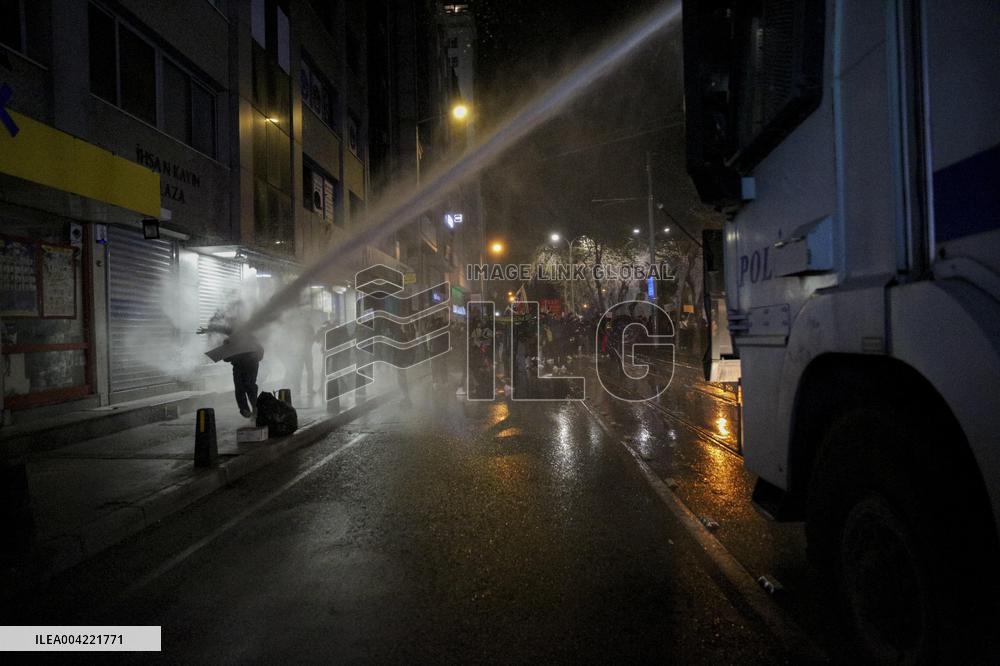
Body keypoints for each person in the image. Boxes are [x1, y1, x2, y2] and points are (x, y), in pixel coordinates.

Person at [198, 300, 265, 419]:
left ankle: (256, 409)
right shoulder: (233, 331)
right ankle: (245, 409)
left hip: (251, 362)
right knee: (240, 387)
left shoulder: (251, 328)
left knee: (249, 385)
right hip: (239, 364)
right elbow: (222, 329)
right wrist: (208, 330)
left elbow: (259, 347)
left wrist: (256, 356)